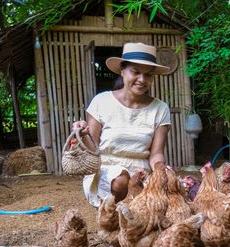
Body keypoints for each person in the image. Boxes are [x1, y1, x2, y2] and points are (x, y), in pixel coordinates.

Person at [71, 42, 171, 207]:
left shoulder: (160, 108)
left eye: (148, 75)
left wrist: (161, 171)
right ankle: (114, 209)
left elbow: (156, 154)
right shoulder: (101, 102)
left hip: (141, 173)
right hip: (105, 170)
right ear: (122, 72)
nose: (142, 79)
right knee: (121, 180)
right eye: (136, 72)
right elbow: (92, 148)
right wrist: (82, 134)